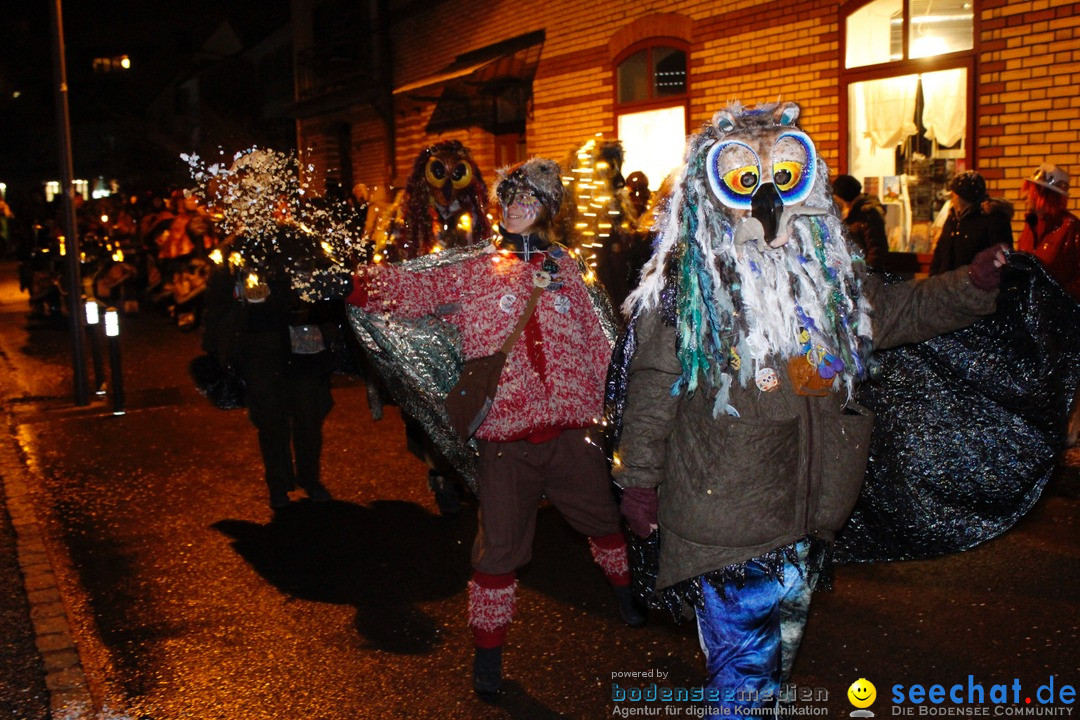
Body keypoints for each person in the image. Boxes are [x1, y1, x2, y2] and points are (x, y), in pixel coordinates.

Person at [612, 101, 1008, 714]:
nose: (767, 196)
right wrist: (639, 482)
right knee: (745, 676)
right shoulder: (689, 285)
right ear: (711, 190)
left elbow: (897, 311)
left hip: (806, 511)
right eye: (745, 180)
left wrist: (971, 286)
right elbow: (653, 386)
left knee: (774, 664)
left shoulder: (828, 273)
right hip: (726, 517)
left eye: (783, 177)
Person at [345, 157, 643, 697]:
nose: (514, 208)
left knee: (602, 521)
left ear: (547, 209)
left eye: (528, 200)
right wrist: (370, 285)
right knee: (499, 551)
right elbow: (417, 293)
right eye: (508, 199)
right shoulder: (475, 268)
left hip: (573, 431)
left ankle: (627, 596)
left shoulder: (568, 268)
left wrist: (618, 404)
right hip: (505, 438)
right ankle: (488, 660)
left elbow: (595, 341)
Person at [202, 215, 337, 511]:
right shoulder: (235, 249)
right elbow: (218, 301)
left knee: (308, 414)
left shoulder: (302, 240)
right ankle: (278, 485)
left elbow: (329, 283)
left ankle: (311, 479)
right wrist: (214, 345)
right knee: (270, 418)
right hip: (259, 344)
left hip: (302, 337)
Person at [1017, 162, 1080, 445]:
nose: (1028, 197)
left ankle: (1068, 433)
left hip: (1062, 320)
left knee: (1062, 377)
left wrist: (1058, 297)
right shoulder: (1029, 228)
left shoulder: (1071, 230)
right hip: (1033, 318)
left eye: (1033, 192)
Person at [929, 170, 1013, 275]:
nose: (951, 199)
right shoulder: (953, 219)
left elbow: (1001, 259)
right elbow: (940, 255)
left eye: (953, 195)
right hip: (947, 287)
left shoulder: (993, 220)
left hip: (976, 288)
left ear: (961, 197)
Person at [831, 174, 889, 270]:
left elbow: (877, 253)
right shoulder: (846, 212)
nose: (835, 199)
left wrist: (863, 272)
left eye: (836, 196)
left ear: (843, 197)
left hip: (865, 275)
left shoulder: (868, 215)